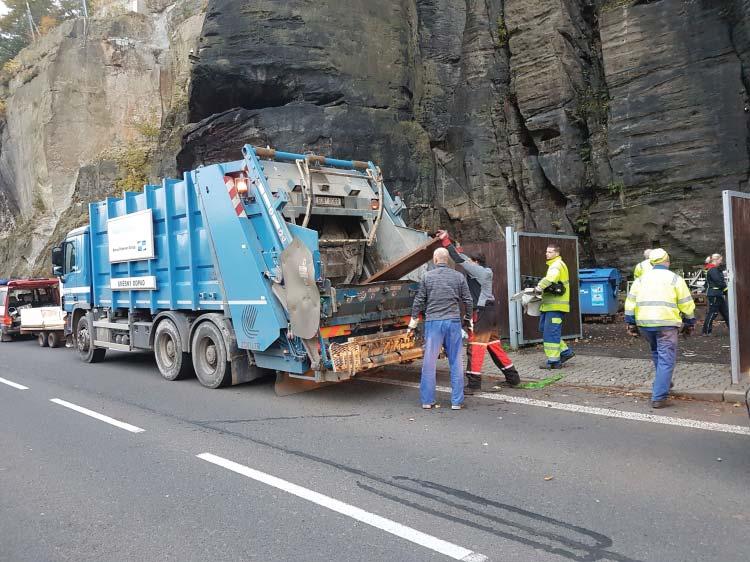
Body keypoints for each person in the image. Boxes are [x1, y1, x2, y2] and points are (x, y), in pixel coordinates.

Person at [435, 230, 520, 393]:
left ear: (476, 262)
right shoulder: (482, 270)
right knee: (494, 346)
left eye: (471, 262)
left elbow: (460, 259)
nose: (468, 264)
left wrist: (445, 241)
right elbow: (464, 258)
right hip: (490, 312)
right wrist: (452, 242)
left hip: (482, 313)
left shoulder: (480, 272)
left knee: (475, 347)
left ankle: (474, 384)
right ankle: (513, 378)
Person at [624, 248, 696, 408]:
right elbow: (686, 303)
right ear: (667, 261)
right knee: (666, 359)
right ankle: (659, 396)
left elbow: (630, 303)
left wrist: (630, 322)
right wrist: (690, 321)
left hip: (645, 324)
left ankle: (664, 382)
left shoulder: (641, 280)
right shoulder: (675, 279)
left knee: (657, 353)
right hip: (666, 324)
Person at [408, 247, 474, 410]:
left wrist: (413, 321)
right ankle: (456, 402)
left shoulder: (427, 277)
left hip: (434, 322)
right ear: (448, 260)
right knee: (456, 362)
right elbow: (468, 300)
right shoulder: (458, 276)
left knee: (429, 363)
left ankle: (427, 401)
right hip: (452, 322)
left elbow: (419, 300)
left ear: (435, 259)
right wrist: (468, 319)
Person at [535, 244, 574, 369]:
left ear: (557, 253)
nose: (547, 254)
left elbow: (551, 278)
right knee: (545, 329)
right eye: (546, 252)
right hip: (549, 306)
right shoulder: (555, 265)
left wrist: (539, 287)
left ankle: (554, 362)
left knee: (550, 333)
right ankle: (565, 352)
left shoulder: (556, 265)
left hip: (555, 306)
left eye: (550, 252)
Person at [702, 253, 729, 336]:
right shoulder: (713, 270)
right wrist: (726, 288)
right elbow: (718, 282)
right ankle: (706, 331)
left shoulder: (712, 268)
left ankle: (733, 329)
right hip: (714, 294)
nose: (721, 262)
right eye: (720, 260)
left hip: (718, 294)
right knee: (713, 312)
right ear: (716, 260)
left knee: (726, 312)